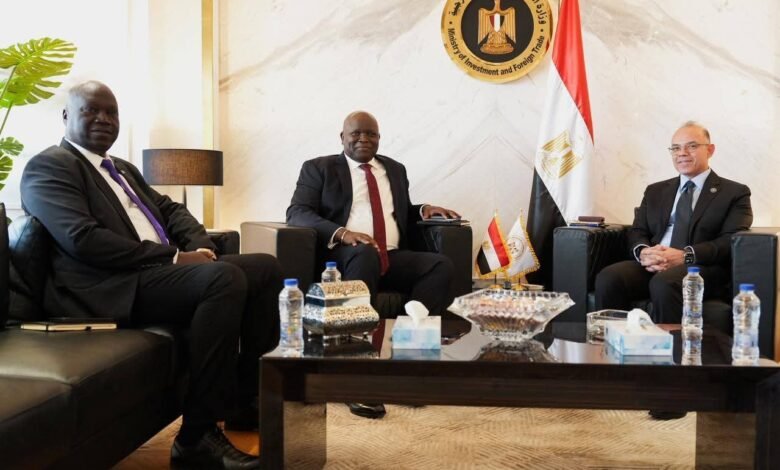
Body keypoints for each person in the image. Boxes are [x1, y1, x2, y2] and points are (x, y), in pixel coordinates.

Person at [21, 81, 281, 469]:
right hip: (105, 286)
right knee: (222, 280)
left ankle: (243, 402)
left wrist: (200, 248)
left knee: (264, 267)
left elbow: (171, 209)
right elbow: (83, 240)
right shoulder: (50, 166)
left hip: (150, 274)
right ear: (66, 116)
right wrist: (175, 257)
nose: (103, 119)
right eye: (91, 110)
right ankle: (196, 438)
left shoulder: (121, 169)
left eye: (111, 112)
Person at [286, 110, 459, 419]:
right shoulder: (319, 168)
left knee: (439, 266)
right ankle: (355, 378)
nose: (364, 139)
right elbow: (297, 212)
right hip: (344, 256)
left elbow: (398, 212)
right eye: (356, 133)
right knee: (364, 253)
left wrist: (424, 209)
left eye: (371, 134)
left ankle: (408, 365)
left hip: (391, 255)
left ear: (379, 138)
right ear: (342, 137)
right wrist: (343, 233)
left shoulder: (394, 169)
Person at [595, 121, 752, 324]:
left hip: (700, 267)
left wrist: (685, 256)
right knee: (609, 277)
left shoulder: (734, 193)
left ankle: (671, 345)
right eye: (676, 148)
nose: (682, 153)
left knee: (665, 282)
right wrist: (644, 252)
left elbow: (730, 239)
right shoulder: (655, 191)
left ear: (710, 150)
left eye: (692, 146)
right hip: (655, 262)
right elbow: (638, 230)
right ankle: (610, 341)